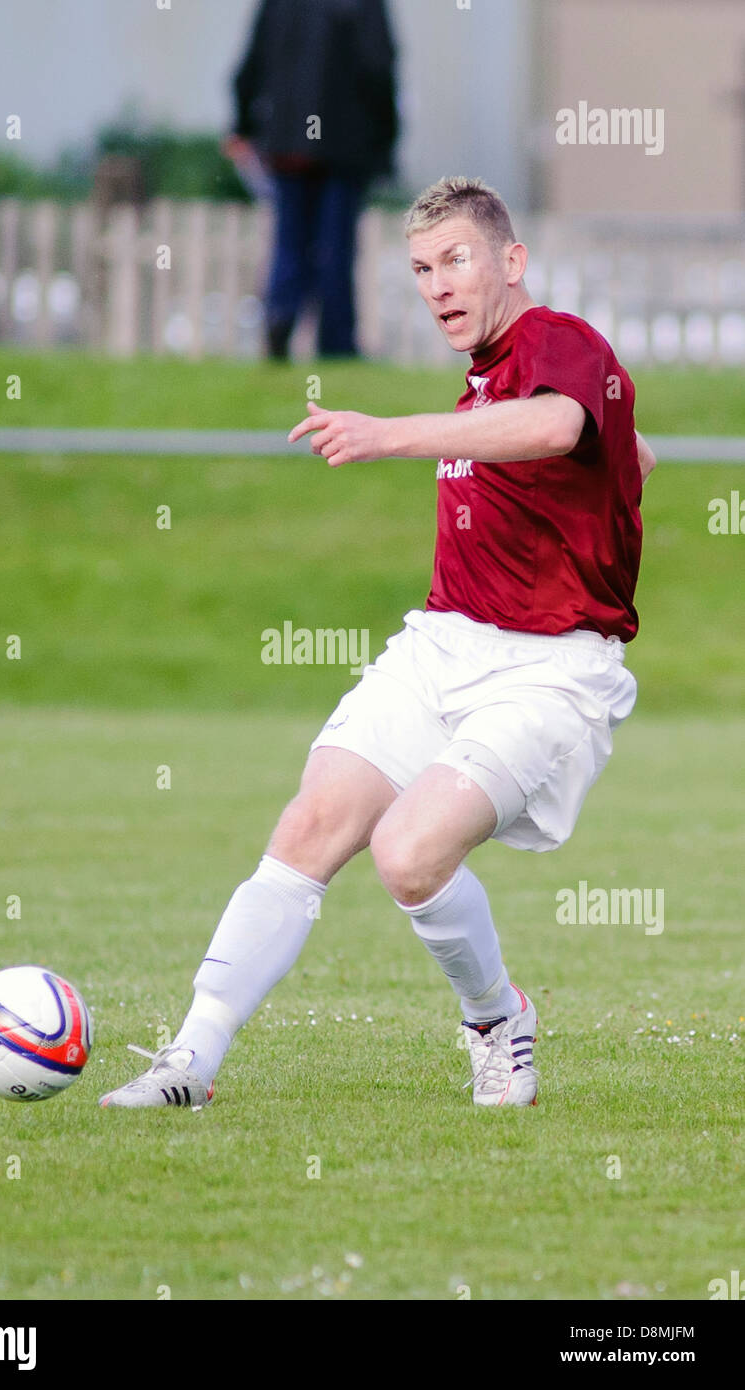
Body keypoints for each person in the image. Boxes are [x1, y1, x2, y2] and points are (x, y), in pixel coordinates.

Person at [100, 175, 656, 1113]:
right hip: (443, 644)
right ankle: (189, 1060)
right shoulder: (489, 377)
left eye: (458, 259)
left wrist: (385, 432)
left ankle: (497, 1019)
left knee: (408, 854)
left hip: (550, 672)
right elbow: (609, 448)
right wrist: (626, 466)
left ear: (512, 261)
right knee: (313, 822)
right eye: (422, 268)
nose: (438, 284)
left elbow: (561, 422)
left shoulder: (561, 342)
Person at [223, 0, 398, 359]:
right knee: (336, 247)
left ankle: (280, 313)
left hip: (287, 140)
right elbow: (379, 67)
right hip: (344, 143)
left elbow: (252, 63)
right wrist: (386, 135)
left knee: (289, 239)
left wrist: (244, 123)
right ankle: (335, 341)